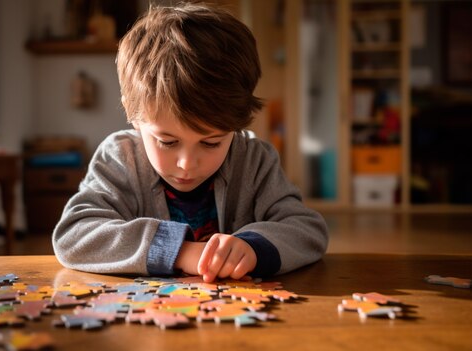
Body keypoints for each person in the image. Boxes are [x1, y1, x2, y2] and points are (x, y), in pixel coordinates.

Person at [53, 3, 328, 282]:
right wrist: (179, 252)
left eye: (211, 143)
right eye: (167, 142)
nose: (186, 164)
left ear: (237, 125)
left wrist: (254, 248)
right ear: (133, 114)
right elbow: (74, 236)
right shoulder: (120, 158)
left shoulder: (255, 160)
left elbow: (307, 229)